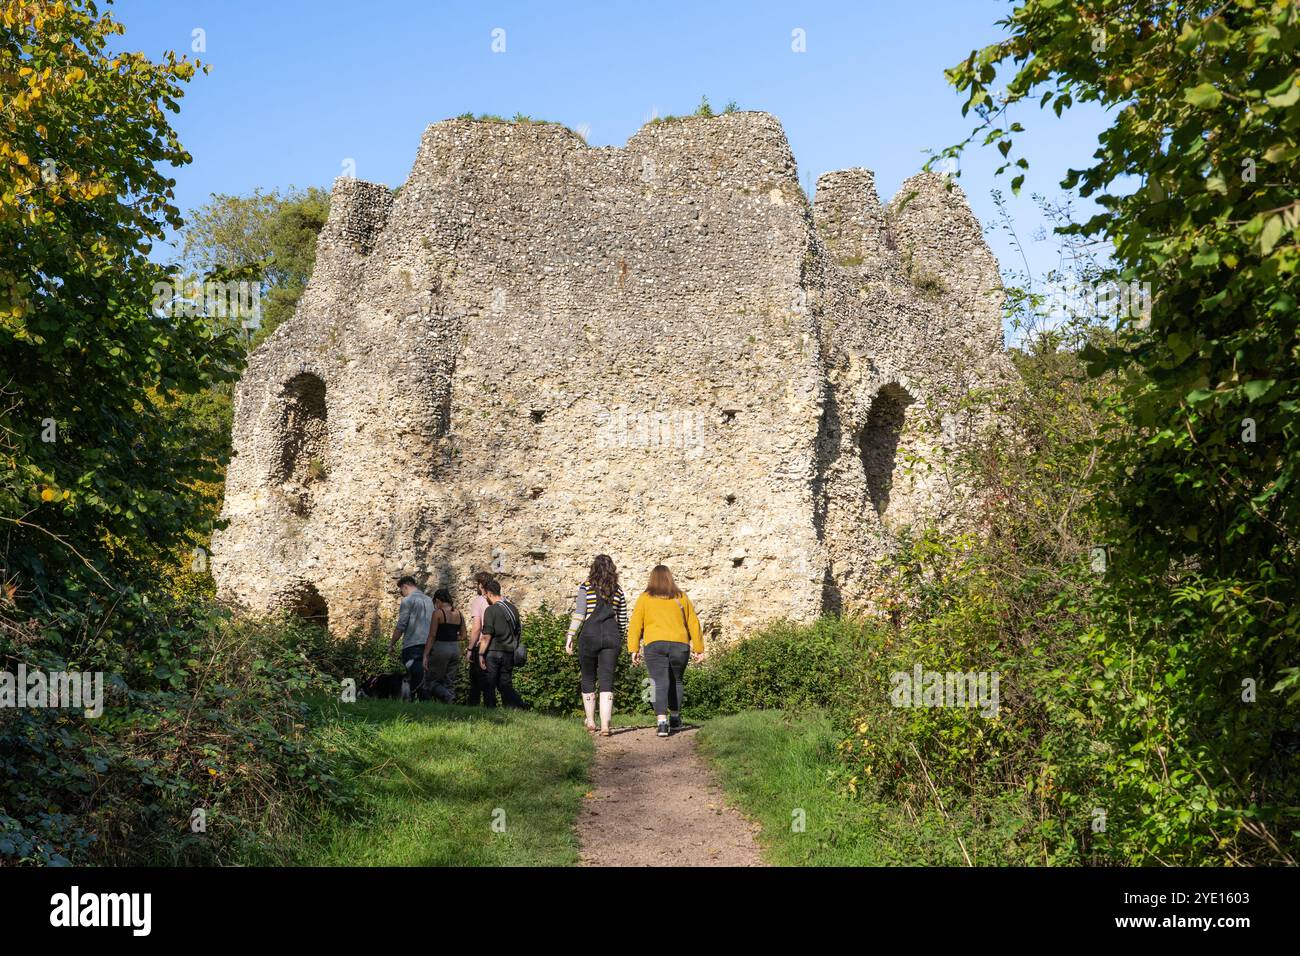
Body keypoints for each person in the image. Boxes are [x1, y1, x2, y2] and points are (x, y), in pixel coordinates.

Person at [627, 564, 703, 737]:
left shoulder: (645, 598)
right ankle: (675, 718)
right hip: (680, 644)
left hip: (654, 644)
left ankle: (662, 723)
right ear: (670, 577)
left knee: (658, 682)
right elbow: (693, 622)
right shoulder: (681, 597)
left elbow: (635, 624)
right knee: (677, 681)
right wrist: (699, 648)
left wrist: (633, 648)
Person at [564, 555, 628, 736]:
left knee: (588, 676)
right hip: (611, 636)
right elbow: (622, 618)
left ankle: (591, 721)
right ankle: (606, 726)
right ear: (612, 569)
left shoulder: (586, 587)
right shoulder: (618, 590)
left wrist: (570, 635)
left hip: (589, 636)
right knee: (607, 679)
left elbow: (580, 613)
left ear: (593, 569)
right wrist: (620, 637)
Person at [477, 578, 527, 709]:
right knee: (505, 684)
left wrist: (481, 654)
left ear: (489, 593)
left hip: (493, 652)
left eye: (485, 595)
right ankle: (515, 707)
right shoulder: (513, 609)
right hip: (509, 652)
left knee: (489, 684)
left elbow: (487, 636)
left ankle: (490, 710)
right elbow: (518, 632)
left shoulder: (491, 610)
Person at [388, 575, 433, 701]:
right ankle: (425, 702)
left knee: (412, 675)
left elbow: (401, 625)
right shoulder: (430, 600)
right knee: (425, 674)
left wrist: (391, 643)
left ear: (405, 586)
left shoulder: (408, 600)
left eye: (401, 590)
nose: (401, 594)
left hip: (413, 643)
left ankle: (413, 700)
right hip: (429, 643)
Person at [422, 587, 463, 703]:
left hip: (441, 648)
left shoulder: (438, 613)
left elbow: (432, 635)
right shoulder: (459, 613)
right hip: (455, 649)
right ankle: (450, 704)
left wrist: (425, 655)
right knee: (450, 680)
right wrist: (451, 637)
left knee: (431, 681)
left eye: (435, 603)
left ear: (438, 601)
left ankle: (447, 697)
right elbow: (463, 635)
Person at [465, 571, 491, 706]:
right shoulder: (502, 599)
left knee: (475, 681)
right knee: (490, 682)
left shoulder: (479, 601)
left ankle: (473, 708)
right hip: (496, 645)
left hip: (481, 644)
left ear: (481, 585)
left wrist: (470, 648)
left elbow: (476, 628)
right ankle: (490, 707)